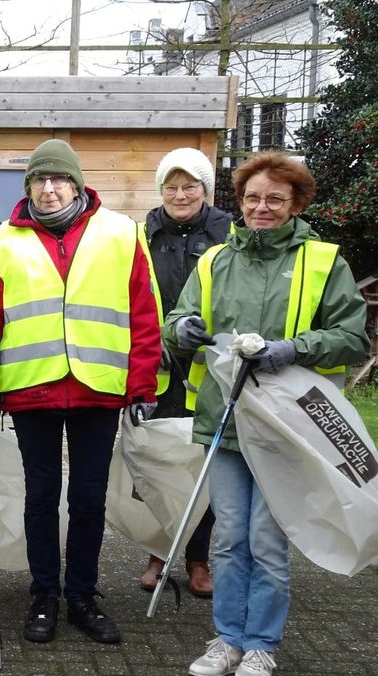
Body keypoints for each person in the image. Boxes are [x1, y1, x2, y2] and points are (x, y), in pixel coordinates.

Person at [166, 152, 368, 676]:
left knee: (268, 539)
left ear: (296, 204)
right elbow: (178, 318)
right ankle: (227, 638)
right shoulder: (214, 261)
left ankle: (261, 647)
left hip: (287, 427)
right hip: (226, 421)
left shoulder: (324, 262)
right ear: (240, 201)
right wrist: (182, 328)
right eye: (253, 197)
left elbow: (353, 337)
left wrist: (294, 349)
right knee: (230, 537)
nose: (262, 207)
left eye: (275, 199)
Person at [0, 138, 160, 646]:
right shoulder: (3, 239)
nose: (48, 190)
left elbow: (144, 313)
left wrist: (142, 383)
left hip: (99, 388)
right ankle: (44, 594)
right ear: (28, 185)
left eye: (58, 179)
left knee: (90, 498)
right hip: (33, 389)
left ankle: (83, 596)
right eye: (38, 180)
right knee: (41, 496)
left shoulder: (121, 232)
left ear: (76, 183)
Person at [137, 147, 232, 598]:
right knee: (160, 466)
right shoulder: (141, 235)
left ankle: (198, 559)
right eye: (171, 187)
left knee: (203, 466)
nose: (180, 194)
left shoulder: (229, 234)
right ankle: (159, 552)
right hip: (157, 367)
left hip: (208, 370)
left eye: (189, 186)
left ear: (205, 189)